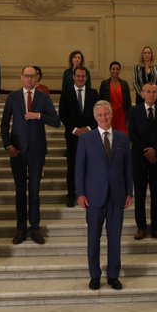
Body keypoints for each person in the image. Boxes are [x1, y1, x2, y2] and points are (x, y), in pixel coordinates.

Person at [75, 100, 133, 291]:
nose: (103, 117)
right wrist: (80, 193)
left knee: (115, 238)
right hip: (94, 196)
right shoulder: (86, 139)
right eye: (100, 115)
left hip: (117, 195)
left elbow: (128, 168)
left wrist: (129, 192)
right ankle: (95, 275)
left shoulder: (123, 138)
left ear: (111, 115)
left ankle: (113, 276)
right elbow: (79, 169)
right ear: (95, 117)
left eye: (106, 114)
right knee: (93, 238)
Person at [1, 66, 60, 245]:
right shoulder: (13, 97)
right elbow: (4, 124)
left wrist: (38, 115)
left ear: (37, 78)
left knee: (34, 191)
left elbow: (56, 121)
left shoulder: (43, 97)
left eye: (32, 76)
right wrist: (8, 145)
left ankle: (35, 229)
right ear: (21, 78)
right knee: (20, 192)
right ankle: (20, 229)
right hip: (17, 151)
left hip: (37, 151)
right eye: (26, 76)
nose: (29, 79)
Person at [128, 83, 157, 241]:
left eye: (154, 92)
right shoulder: (134, 111)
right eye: (149, 92)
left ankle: (156, 228)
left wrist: (155, 150)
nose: (152, 94)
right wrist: (146, 151)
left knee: (156, 195)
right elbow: (132, 134)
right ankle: (141, 227)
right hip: (139, 158)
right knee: (139, 195)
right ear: (143, 94)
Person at [59, 66, 99, 207]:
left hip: (90, 136)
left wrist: (89, 128)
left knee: (89, 166)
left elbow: (98, 114)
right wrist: (75, 130)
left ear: (86, 78)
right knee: (72, 166)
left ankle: (87, 194)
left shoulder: (94, 93)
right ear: (73, 77)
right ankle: (71, 194)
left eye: (83, 76)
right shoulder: (66, 93)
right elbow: (63, 114)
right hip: (73, 136)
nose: (80, 78)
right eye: (78, 76)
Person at [99, 61, 132, 133]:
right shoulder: (104, 84)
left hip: (122, 115)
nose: (115, 71)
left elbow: (128, 102)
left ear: (119, 70)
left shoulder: (124, 84)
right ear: (110, 70)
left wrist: (128, 116)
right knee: (109, 134)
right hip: (109, 115)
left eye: (117, 69)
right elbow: (100, 101)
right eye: (113, 69)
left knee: (122, 135)